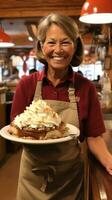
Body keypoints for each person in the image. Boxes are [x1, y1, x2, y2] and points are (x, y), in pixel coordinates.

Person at [10, 13, 112, 200]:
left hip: (69, 181)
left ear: (75, 46)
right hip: (32, 180)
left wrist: (108, 161)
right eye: (51, 42)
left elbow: (94, 136)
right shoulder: (27, 85)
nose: (58, 50)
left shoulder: (85, 88)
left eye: (65, 42)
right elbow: (16, 129)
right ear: (41, 46)